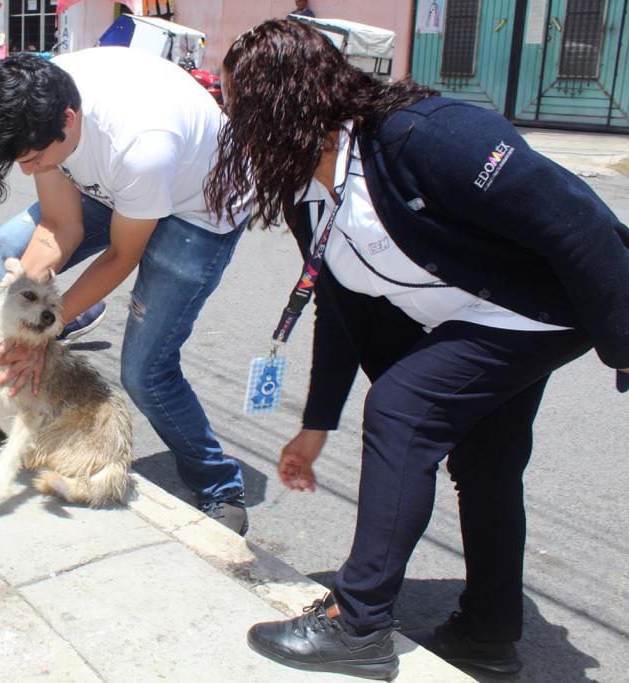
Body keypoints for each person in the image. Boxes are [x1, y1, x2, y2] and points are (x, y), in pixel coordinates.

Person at [206, 19, 629, 680]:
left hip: (545, 307)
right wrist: (315, 425)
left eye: (238, 106)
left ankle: (359, 623)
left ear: (281, 108)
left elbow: (576, 218)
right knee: (486, 460)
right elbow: (338, 303)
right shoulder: (309, 194)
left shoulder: (425, 138)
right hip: (479, 316)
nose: (229, 120)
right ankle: (490, 633)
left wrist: (624, 343)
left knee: (403, 408)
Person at [0, 49, 253, 533]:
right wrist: (5, 323)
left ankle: (218, 484)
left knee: (145, 369)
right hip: (116, 187)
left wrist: (43, 334)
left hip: (198, 208)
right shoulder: (39, 99)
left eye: (33, 159)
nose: (25, 169)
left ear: (69, 117)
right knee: (10, 243)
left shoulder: (142, 144)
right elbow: (61, 225)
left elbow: (123, 255)